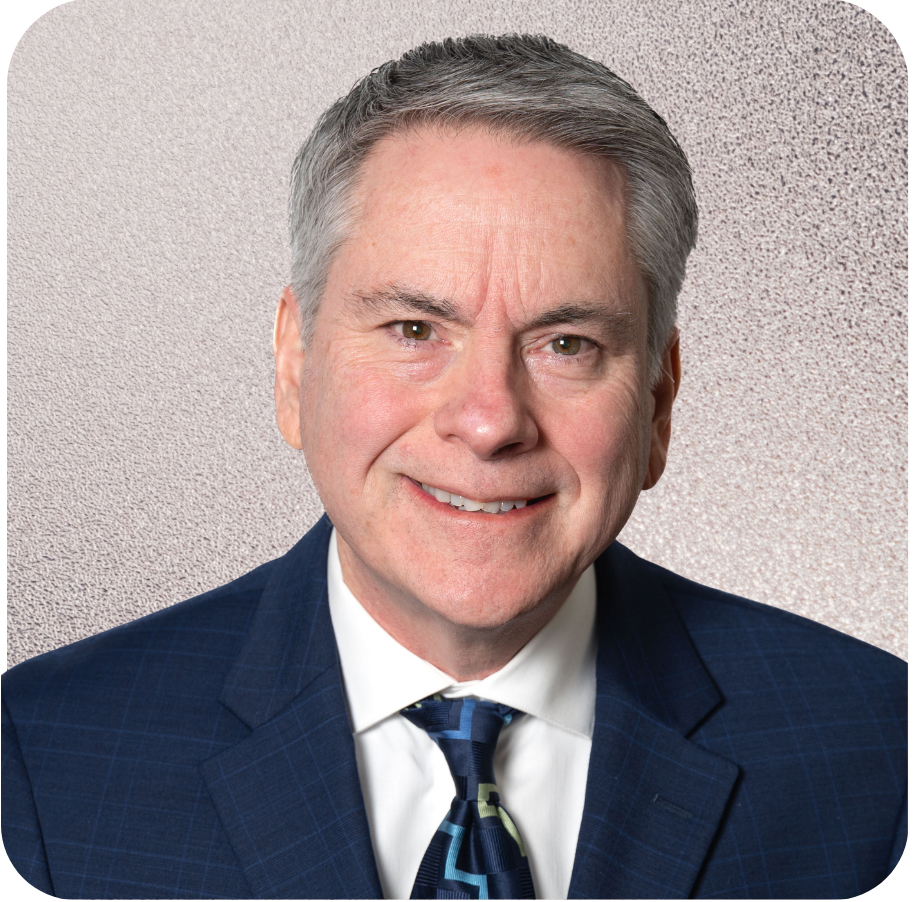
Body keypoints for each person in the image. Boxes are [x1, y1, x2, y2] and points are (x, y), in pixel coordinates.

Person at [2, 34, 906, 900]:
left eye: (566, 343)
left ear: (659, 401)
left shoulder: (880, 747)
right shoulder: (39, 761)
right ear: (294, 364)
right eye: (413, 330)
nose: (488, 422)